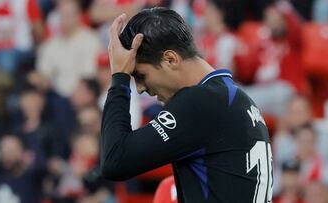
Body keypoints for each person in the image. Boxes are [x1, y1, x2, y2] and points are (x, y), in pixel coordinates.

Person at [100, 7, 273, 202]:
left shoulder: (202, 102)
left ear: (170, 59)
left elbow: (115, 160)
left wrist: (119, 79)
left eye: (140, 76)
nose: (139, 89)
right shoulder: (236, 98)